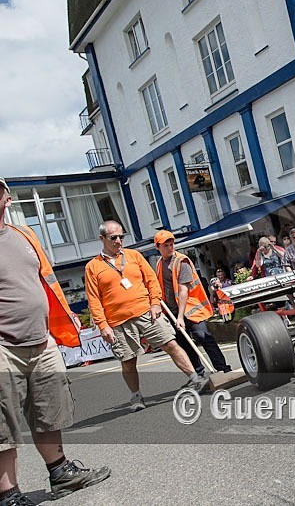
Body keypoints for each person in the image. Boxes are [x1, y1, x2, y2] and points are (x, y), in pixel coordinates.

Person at [0, 178, 110, 504]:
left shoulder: (24, 235)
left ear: (6, 197)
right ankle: (8, 494)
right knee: (2, 420)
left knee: (49, 408)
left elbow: (44, 279)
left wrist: (56, 324)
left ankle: (61, 473)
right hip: (3, 346)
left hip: (40, 339)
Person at [85, 220, 208, 413]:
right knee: (128, 361)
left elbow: (151, 281)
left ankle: (195, 378)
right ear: (102, 239)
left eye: (121, 236)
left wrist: (155, 303)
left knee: (171, 343)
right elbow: (94, 300)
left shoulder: (134, 256)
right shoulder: (93, 267)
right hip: (118, 321)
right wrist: (103, 326)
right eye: (113, 238)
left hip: (145, 311)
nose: (118, 241)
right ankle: (136, 395)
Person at [154, 231, 232, 375]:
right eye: (166, 245)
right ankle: (199, 374)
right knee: (184, 343)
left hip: (191, 308)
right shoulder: (159, 263)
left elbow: (183, 290)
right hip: (173, 311)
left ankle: (223, 369)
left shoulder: (181, 262)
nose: (170, 248)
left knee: (204, 337)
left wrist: (181, 317)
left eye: (171, 244)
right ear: (157, 247)